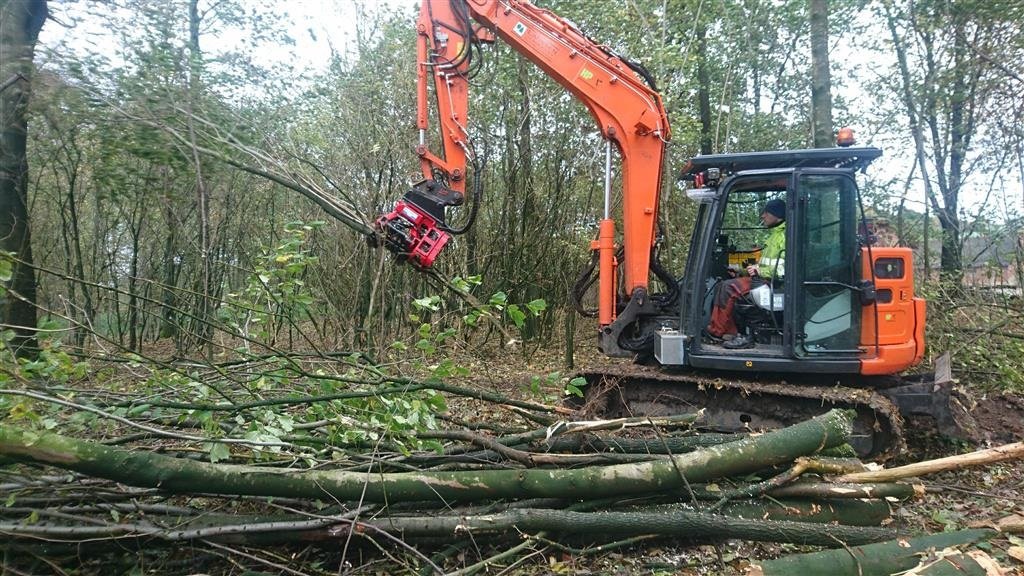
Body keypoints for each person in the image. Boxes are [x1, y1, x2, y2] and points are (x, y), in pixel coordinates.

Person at [705, 198, 786, 349]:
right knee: (721, 285)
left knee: (729, 288)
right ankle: (730, 331)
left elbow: (784, 269)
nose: (763, 216)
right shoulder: (774, 235)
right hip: (763, 279)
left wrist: (759, 271)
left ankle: (718, 331)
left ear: (777, 215)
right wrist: (741, 271)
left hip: (773, 283)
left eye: (767, 212)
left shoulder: (785, 236)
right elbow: (765, 264)